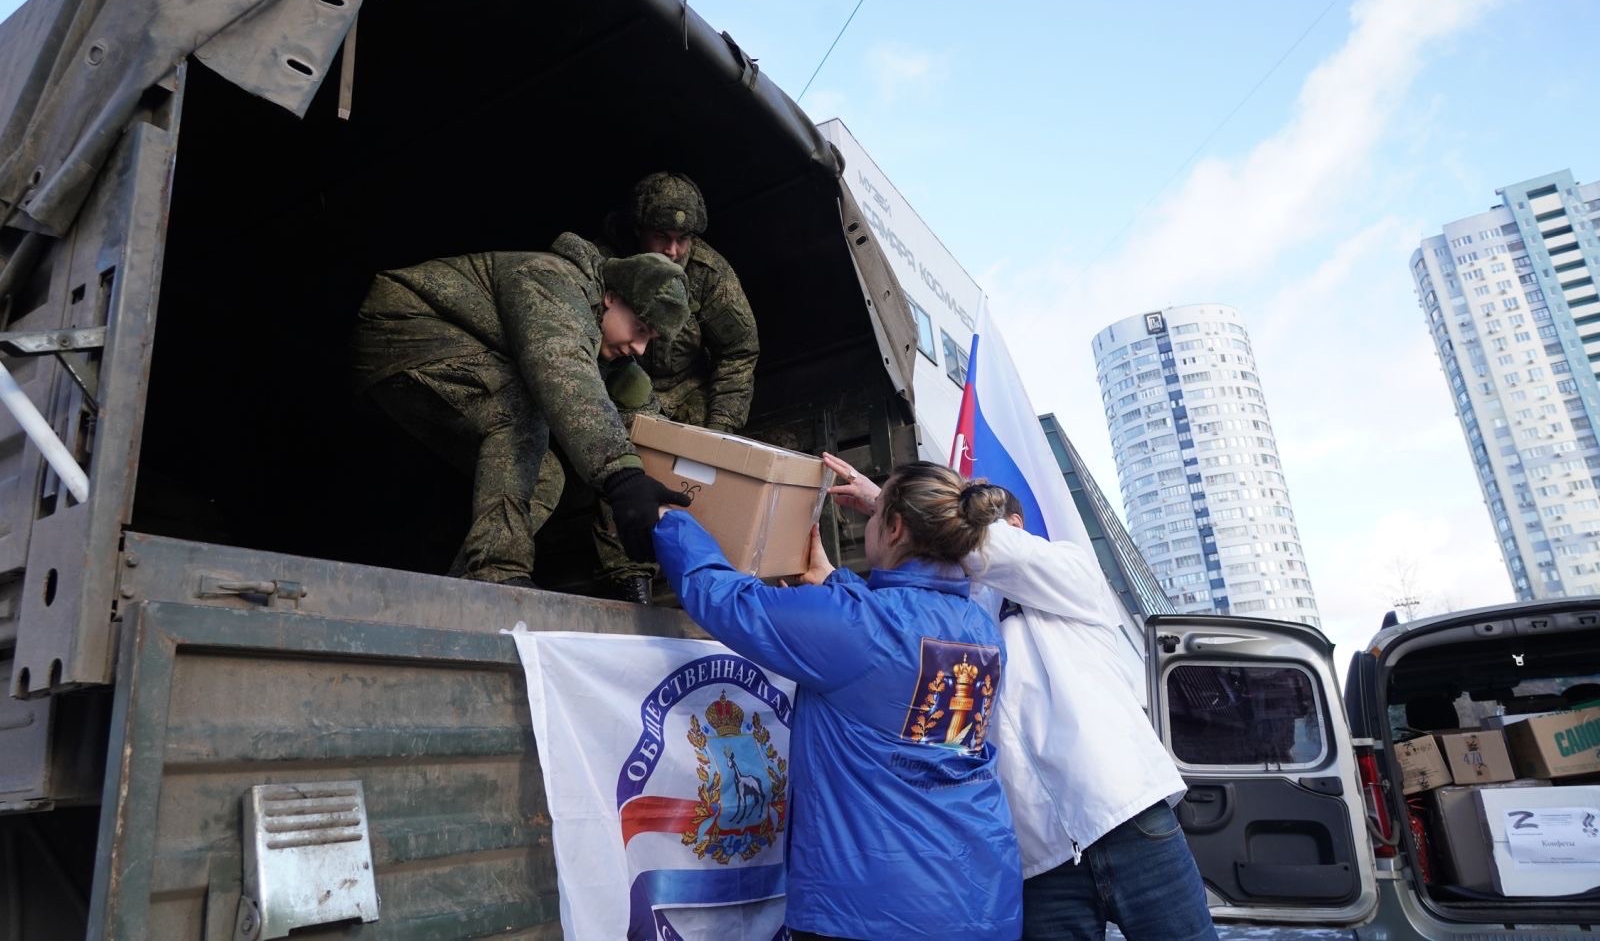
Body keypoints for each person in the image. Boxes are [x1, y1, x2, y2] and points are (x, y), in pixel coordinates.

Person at [823, 453, 1216, 941]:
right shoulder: (954, 614)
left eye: (995, 526)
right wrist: (890, 522)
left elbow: (1007, 555)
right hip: (1036, 860)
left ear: (1014, 526)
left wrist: (889, 502)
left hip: (1129, 819)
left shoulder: (1075, 579)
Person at [652, 461, 1022, 940]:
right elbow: (892, 662)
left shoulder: (858, 625)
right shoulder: (980, 628)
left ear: (893, 527)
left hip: (874, 910)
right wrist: (834, 583)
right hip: (982, 898)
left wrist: (670, 520)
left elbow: (727, 601)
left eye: (874, 516)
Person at [350, 232, 692, 591]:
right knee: (521, 415)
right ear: (611, 297)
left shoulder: (609, 348)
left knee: (543, 473)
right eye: (638, 328)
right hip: (405, 329)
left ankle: (466, 588)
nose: (638, 347)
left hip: (448, 352)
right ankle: (494, 573)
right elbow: (561, 367)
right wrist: (622, 476)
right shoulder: (552, 280)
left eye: (649, 339)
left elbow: (650, 424)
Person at [598, 172, 759, 431]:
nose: (672, 251)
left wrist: (720, 429)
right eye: (661, 236)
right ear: (639, 230)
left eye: (682, 239)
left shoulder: (708, 275)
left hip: (686, 391)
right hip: (616, 383)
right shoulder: (609, 263)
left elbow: (738, 352)